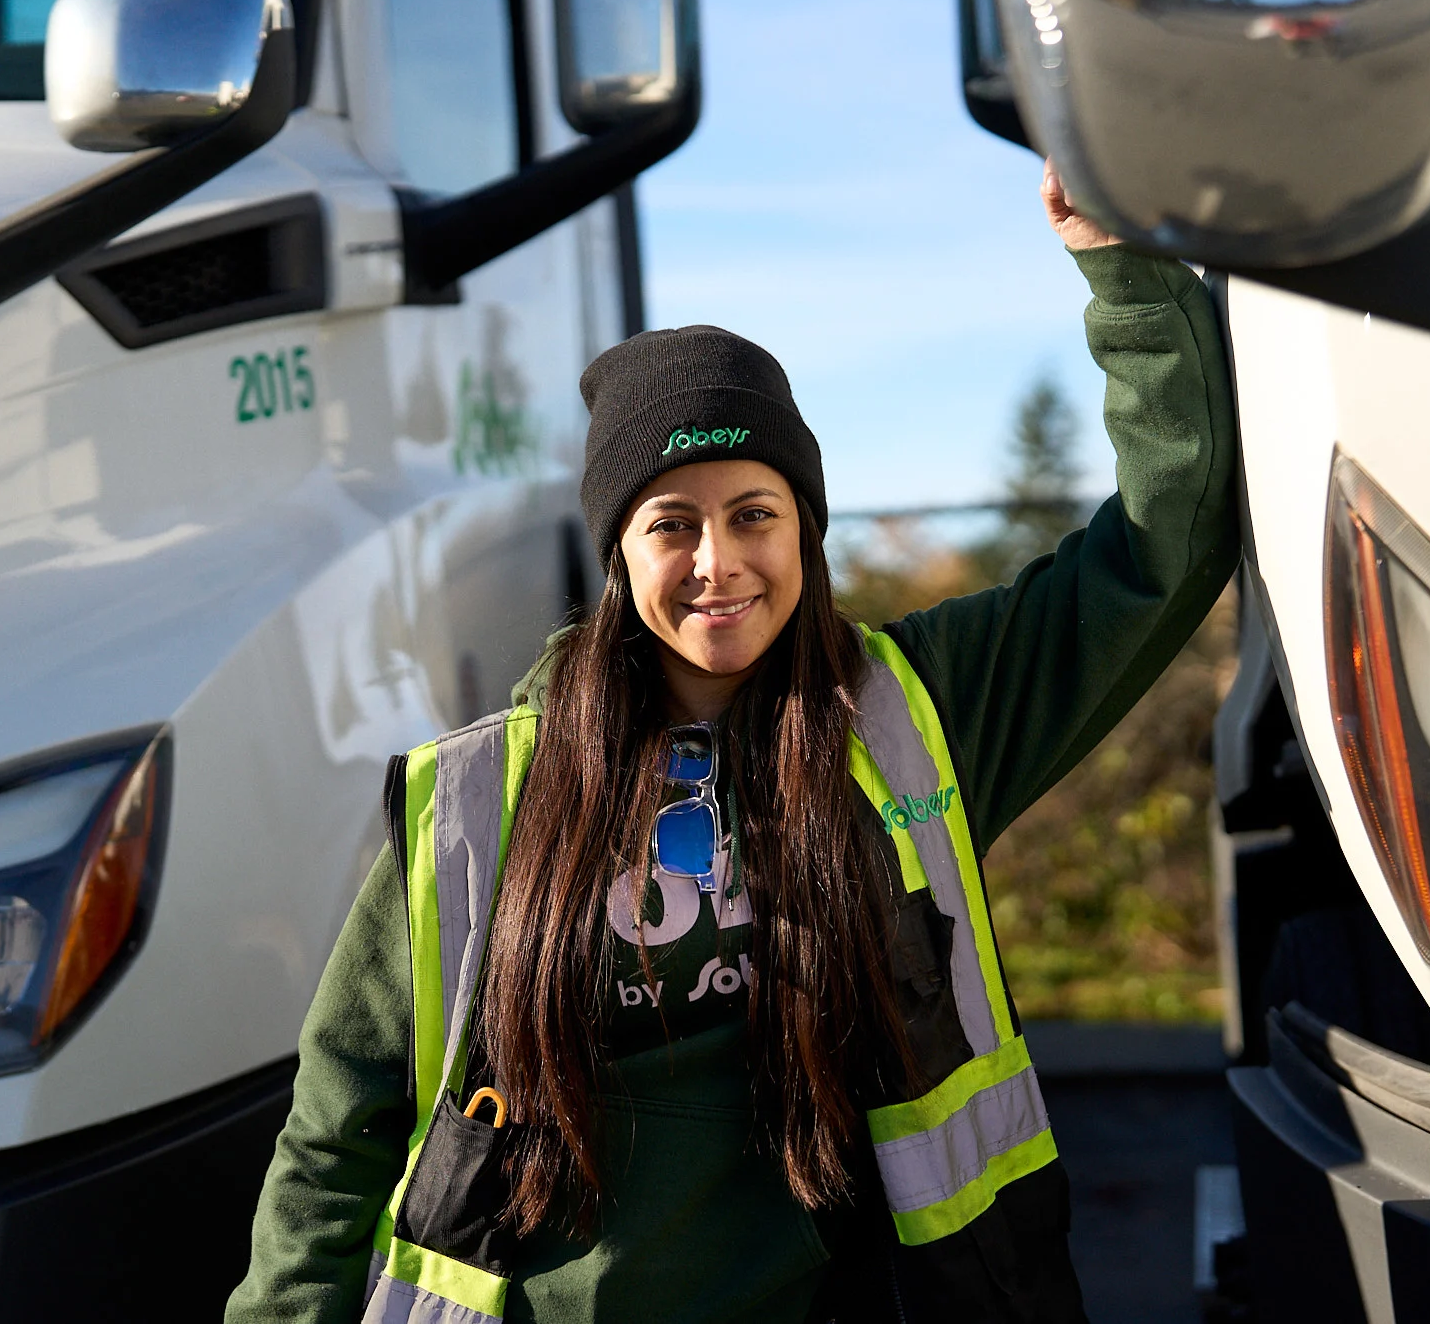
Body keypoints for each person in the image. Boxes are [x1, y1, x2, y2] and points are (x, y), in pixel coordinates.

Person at [227, 166, 1238, 1324]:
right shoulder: (477, 797)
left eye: (753, 512)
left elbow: (1168, 537)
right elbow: (333, 1132)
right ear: (618, 557)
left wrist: (1124, 270)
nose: (719, 563)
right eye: (671, 524)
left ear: (804, 525)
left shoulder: (917, 711)